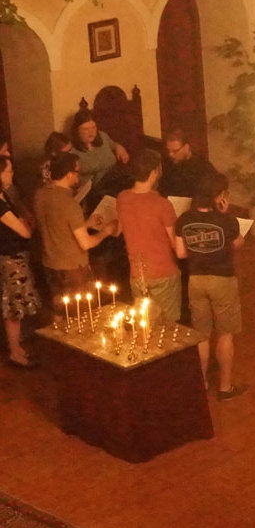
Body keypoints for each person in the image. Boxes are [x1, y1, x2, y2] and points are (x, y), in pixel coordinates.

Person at [175, 172, 247, 401]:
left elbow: (180, 253)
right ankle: (225, 387)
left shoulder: (184, 219)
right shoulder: (227, 221)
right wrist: (225, 216)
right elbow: (238, 243)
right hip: (222, 280)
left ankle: (202, 382)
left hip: (196, 280)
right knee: (225, 334)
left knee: (202, 335)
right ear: (219, 196)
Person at [33, 152, 117, 298]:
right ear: (69, 174)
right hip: (72, 268)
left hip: (50, 263)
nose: (79, 176)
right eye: (78, 171)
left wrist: (85, 224)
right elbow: (86, 243)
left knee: (60, 307)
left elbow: (58, 226)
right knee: (81, 308)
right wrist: (106, 231)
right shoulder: (69, 204)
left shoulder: (40, 195)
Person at [117, 148, 181, 323]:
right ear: (153, 173)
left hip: (137, 274)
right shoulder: (162, 205)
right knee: (167, 326)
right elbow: (176, 245)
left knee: (144, 324)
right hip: (163, 272)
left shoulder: (122, 198)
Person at [0, 154, 40, 368]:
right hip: (10, 261)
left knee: (15, 306)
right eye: (8, 171)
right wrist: (25, 224)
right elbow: (24, 231)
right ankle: (15, 351)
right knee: (14, 307)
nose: (12, 174)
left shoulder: (5, 196)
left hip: (14, 257)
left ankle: (16, 347)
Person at [71, 111, 129, 196]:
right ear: (77, 130)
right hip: (94, 189)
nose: (91, 132)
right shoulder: (71, 149)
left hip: (115, 177)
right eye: (85, 129)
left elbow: (113, 144)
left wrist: (119, 147)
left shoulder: (102, 136)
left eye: (93, 127)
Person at [158, 129, 218, 199]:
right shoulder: (168, 164)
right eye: (169, 151)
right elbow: (162, 189)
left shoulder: (203, 167)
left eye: (175, 151)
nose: (170, 154)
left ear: (187, 147)